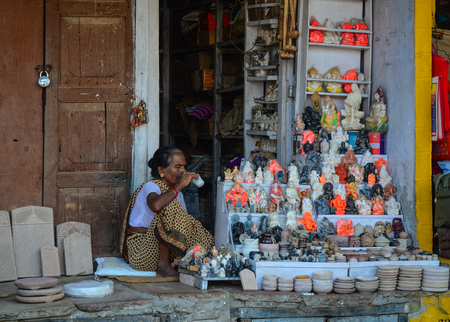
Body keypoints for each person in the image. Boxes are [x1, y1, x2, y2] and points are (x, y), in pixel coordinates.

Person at [120, 146, 214, 277]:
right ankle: (163, 265)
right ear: (161, 170)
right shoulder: (151, 186)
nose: (183, 171)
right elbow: (156, 205)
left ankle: (181, 262)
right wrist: (181, 184)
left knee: (197, 229)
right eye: (178, 167)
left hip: (163, 250)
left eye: (184, 167)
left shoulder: (176, 193)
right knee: (170, 206)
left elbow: (183, 225)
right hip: (142, 251)